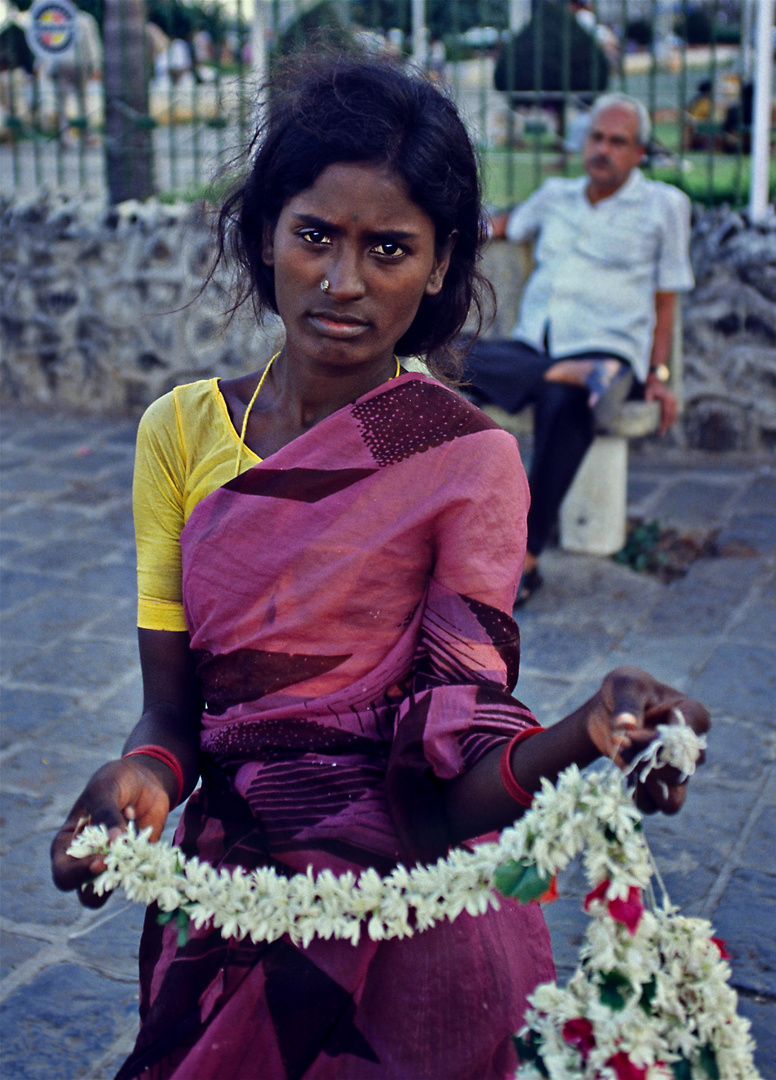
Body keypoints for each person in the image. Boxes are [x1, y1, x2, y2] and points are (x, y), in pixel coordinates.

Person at [50, 55, 709, 1080]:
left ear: (442, 264)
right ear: (264, 231)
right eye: (315, 234)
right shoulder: (180, 434)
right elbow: (174, 717)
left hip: (402, 937)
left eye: (388, 248)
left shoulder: (463, 459)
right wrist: (142, 778)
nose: (342, 281)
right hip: (223, 900)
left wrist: (585, 729)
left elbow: (446, 788)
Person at [463, 93, 694, 604]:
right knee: (442, 352)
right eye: (596, 137)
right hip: (538, 348)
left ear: (639, 152)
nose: (603, 149)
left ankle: (524, 558)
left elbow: (666, 300)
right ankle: (561, 376)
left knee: (569, 401)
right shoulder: (555, 195)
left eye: (617, 141)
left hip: (610, 351)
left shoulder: (663, 207)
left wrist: (657, 373)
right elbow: (499, 226)